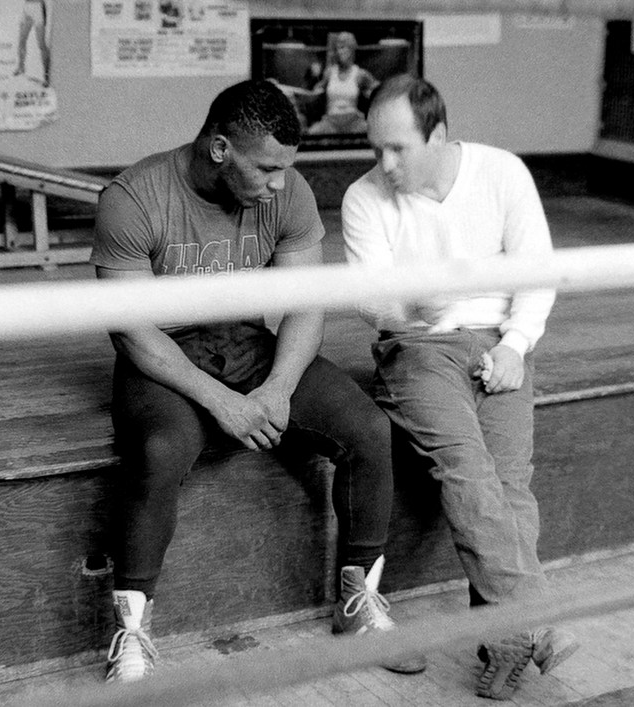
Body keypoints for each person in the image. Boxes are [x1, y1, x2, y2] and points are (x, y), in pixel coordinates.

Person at [90, 79, 425, 684]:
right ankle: (131, 635)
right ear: (220, 149)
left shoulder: (286, 188)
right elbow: (132, 331)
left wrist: (275, 390)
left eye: (285, 170)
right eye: (267, 168)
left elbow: (305, 302)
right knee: (158, 450)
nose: (280, 183)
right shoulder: (133, 198)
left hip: (247, 344)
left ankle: (360, 604)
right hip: (164, 356)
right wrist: (222, 403)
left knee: (368, 428)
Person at [341, 74, 579, 701]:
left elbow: (537, 267)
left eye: (398, 149)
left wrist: (515, 344)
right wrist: (410, 307)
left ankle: (504, 642)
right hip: (417, 347)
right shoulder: (364, 198)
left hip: (498, 339)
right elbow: (372, 302)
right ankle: (537, 622)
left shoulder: (501, 174)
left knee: (511, 488)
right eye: (376, 149)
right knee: (469, 473)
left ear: (438, 136)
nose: (384, 164)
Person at [306, 32, 379, 135]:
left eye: (344, 48)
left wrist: (371, 94)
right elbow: (314, 92)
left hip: (354, 122)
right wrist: (314, 79)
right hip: (331, 121)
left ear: (352, 50)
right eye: (338, 48)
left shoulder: (360, 74)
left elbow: (379, 89)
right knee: (311, 133)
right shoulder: (329, 72)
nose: (340, 52)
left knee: (374, 133)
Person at [13, 0, 51, 88]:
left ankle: (47, 75)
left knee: (41, 44)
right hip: (27, 6)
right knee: (21, 40)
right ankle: (21, 67)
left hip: (38, 6)